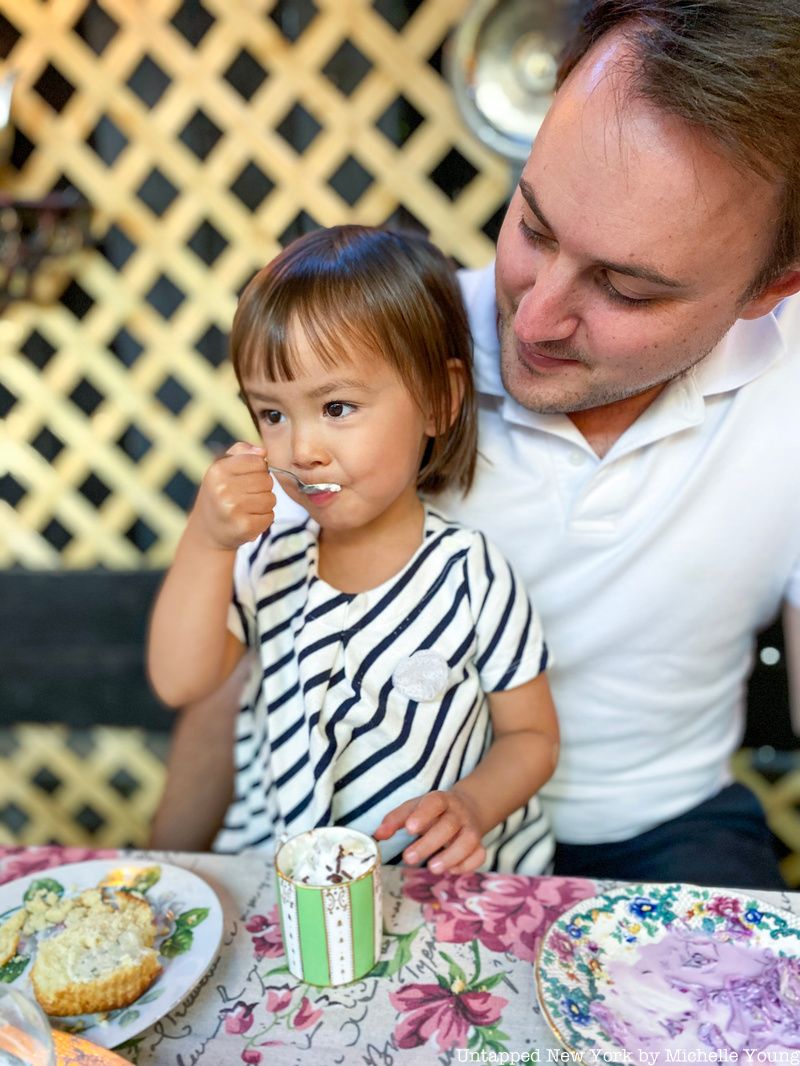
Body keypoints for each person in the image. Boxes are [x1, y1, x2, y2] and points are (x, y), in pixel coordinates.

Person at [151, 0, 800, 890]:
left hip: (666, 828)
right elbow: (243, 666)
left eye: (626, 289)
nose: (530, 316)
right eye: (531, 226)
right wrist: (159, 879)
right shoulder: (374, 370)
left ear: (771, 288)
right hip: (380, 832)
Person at [147, 225, 559, 875]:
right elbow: (179, 681)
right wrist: (206, 541)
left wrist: (472, 804)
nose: (301, 447)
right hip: (285, 884)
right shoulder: (268, 559)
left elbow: (532, 737)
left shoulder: (471, 575)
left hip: (433, 888)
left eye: (336, 407)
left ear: (439, 400)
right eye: (272, 415)